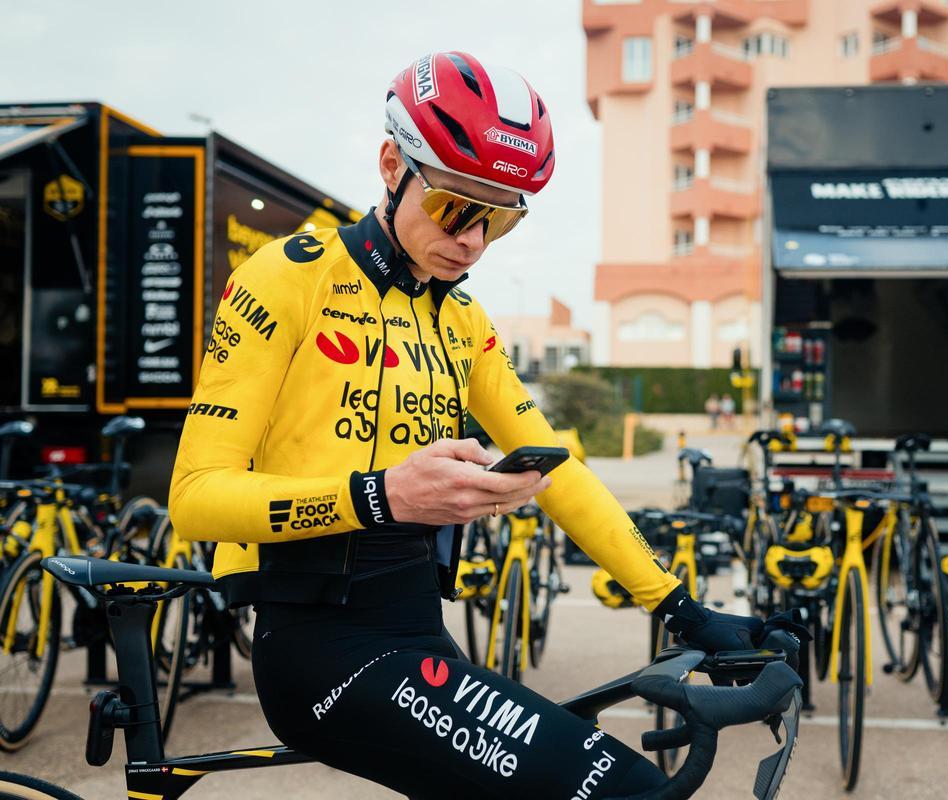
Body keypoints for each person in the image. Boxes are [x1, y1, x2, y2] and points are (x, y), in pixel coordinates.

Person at [169, 52, 783, 800]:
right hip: (317, 646)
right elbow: (195, 498)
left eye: (501, 218)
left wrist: (681, 609)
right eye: (457, 207)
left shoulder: (463, 321)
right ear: (392, 165)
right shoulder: (287, 277)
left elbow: (559, 470)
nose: (473, 241)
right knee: (621, 786)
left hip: (416, 631)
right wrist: (382, 496)